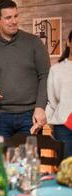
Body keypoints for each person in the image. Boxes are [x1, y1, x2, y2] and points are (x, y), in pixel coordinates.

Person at [0, 0, 50, 138]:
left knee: (28, 159)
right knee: (0, 159)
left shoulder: (34, 43)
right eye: (8, 17)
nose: (14, 21)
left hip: (30, 115)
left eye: (16, 16)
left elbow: (45, 76)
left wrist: (40, 107)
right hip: (0, 117)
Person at [46, 30, 72, 158]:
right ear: (69, 42)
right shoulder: (56, 70)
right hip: (63, 127)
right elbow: (52, 100)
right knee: (65, 170)